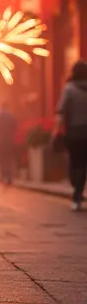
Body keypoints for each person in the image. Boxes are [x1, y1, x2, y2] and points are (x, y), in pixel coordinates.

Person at [54, 60, 87, 211]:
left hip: (73, 132)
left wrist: (57, 130)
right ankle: (78, 193)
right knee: (83, 164)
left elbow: (61, 112)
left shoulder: (69, 89)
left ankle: (76, 189)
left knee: (74, 161)